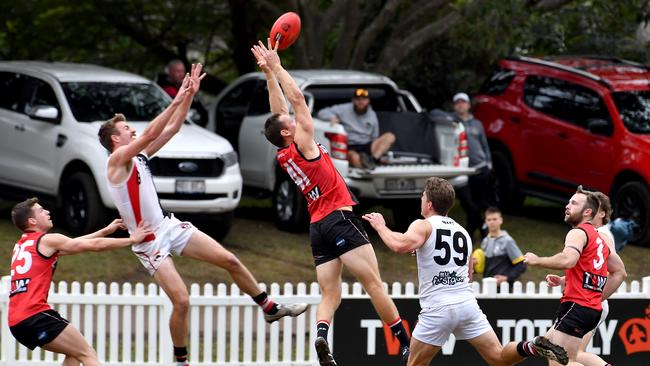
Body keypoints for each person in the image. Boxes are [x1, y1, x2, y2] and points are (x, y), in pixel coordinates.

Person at [98, 63, 307, 366]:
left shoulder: (138, 155)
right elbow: (153, 130)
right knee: (182, 301)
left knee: (230, 260)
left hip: (168, 227)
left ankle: (268, 306)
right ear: (116, 140)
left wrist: (189, 96)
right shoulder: (116, 160)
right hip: (149, 242)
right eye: (126, 129)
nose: (132, 129)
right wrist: (176, 97)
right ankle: (181, 361)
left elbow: (172, 129)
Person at [251, 39, 410, 366]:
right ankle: (407, 344)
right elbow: (295, 101)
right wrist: (279, 67)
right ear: (286, 133)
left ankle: (322, 336)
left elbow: (278, 111)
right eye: (290, 125)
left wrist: (268, 74)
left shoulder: (284, 153)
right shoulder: (303, 142)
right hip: (339, 218)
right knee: (374, 284)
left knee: (330, 294)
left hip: (317, 227)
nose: (294, 121)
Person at [363, 177, 567, 366]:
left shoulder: (423, 225)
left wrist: (381, 227)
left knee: (415, 364)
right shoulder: (463, 232)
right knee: (498, 359)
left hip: (438, 307)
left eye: (423, 196)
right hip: (466, 305)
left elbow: (399, 245)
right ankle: (531, 346)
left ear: (429, 204)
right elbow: (468, 275)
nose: (421, 199)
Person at [8, 197, 152, 366]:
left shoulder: (22, 245)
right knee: (87, 353)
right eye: (41, 210)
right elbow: (95, 245)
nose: (47, 212)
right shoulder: (47, 240)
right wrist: (132, 240)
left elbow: (75, 243)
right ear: (32, 221)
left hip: (17, 322)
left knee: (74, 355)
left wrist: (105, 230)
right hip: (35, 315)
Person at [501, 186, 627, 366]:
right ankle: (527, 348)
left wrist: (537, 260)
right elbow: (620, 272)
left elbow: (568, 260)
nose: (567, 206)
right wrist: (593, 297)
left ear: (588, 212)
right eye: (568, 202)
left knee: (561, 363)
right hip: (589, 309)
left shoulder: (579, 232)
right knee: (546, 348)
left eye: (574, 203)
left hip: (577, 306)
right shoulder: (599, 238)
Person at [545, 191, 626, 366]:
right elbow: (590, 271)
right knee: (550, 347)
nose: (587, 211)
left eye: (592, 209)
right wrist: (563, 280)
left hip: (589, 300)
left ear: (601, 213)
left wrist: (593, 298)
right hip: (589, 299)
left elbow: (609, 272)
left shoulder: (601, 235)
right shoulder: (593, 233)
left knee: (566, 356)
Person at [317, 88, 396, 169]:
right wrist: (331, 117)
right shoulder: (343, 109)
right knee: (354, 158)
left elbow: (375, 136)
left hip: (367, 145)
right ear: (353, 100)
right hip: (351, 146)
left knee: (390, 136)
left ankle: (373, 160)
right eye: (358, 99)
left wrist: (377, 151)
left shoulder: (372, 114)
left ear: (368, 101)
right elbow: (322, 112)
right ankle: (365, 167)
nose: (361, 102)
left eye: (364, 99)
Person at [452, 92, 492, 242]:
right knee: (467, 202)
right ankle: (483, 228)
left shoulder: (477, 124)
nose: (460, 105)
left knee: (478, 202)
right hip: (461, 170)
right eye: (457, 102)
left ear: (468, 105)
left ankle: (469, 234)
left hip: (480, 168)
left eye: (463, 102)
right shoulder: (451, 122)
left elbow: (484, 145)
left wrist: (489, 164)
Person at [479, 206, 526, 286]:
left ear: (501, 220)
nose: (491, 222)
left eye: (494, 219)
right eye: (489, 220)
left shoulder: (507, 241)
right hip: (488, 288)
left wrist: (506, 278)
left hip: (504, 289)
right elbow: (483, 266)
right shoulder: (485, 241)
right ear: (486, 222)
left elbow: (522, 265)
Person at [157, 59, 208, 126]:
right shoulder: (164, 87)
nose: (181, 74)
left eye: (182, 71)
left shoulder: (186, 85)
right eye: (177, 71)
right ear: (170, 72)